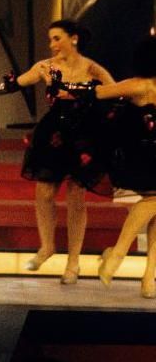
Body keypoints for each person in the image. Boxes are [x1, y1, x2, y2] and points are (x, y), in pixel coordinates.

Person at [0, 19, 114, 284]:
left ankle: (74, 261)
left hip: (82, 135)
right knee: (44, 191)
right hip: (53, 133)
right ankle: (47, 246)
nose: (52, 44)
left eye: (57, 38)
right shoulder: (45, 67)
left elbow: (115, 92)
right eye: (51, 39)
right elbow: (17, 83)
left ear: (74, 38)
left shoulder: (92, 68)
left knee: (76, 196)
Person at [54, 35, 156, 298]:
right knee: (153, 201)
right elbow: (97, 92)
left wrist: (68, 88)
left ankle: (148, 278)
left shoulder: (138, 85)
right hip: (141, 157)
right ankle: (118, 253)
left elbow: (96, 92)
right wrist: (63, 87)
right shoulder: (138, 86)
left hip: (147, 155)